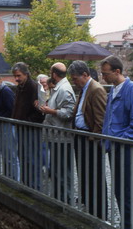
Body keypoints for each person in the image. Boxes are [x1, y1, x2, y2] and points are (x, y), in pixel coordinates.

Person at [101, 55, 133, 229]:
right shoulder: (113, 90)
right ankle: (126, 224)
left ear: (117, 71)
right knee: (120, 191)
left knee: (131, 193)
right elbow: (109, 120)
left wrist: (119, 140)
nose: (103, 78)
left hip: (127, 149)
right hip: (114, 148)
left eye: (105, 74)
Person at [68, 60, 107, 219]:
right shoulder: (84, 88)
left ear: (85, 75)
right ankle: (90, 207)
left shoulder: (96, 89)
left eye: (75, 79)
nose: (74, 82)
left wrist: (93, 138)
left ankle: (99, 212)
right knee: (85, 174)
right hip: (81, 136)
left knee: (95, 176)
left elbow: (101, 119)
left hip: (89, 139)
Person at [40, 62, 76, 202]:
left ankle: (64, 200)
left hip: (61, 136)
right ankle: (59, 198)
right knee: (56, 170)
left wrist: (51, 111)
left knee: (62, 171)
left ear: (54, 74)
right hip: (56, 135)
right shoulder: (59, 88)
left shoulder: (64, 89)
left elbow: (69, 113)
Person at [11, 62, 44, 189]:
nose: (16, 79)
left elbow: (39, 111)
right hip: (22, 126)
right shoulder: (21, 87)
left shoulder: (33, 87)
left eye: (18, 75)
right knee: (23, 157)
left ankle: (34, 187)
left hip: (30, 128)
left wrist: (26, 120)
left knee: (32, 159)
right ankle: (26, 185)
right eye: (15, 76)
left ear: (26, 74)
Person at [0, 72, 18, 180]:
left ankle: (15, 177)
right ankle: (10, 175)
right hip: (2, 124)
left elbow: (11, 108)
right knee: (5, 151)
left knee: (10, 152)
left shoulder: (5, 91)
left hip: (7, 124)